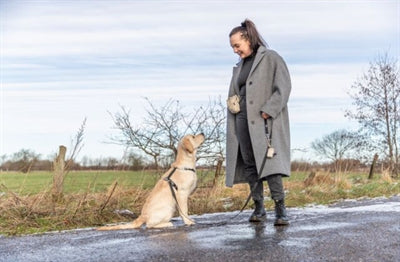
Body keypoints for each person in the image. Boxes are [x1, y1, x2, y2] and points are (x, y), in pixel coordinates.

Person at [225, 19, 291, 226]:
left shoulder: (271, 58)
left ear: (248, 39)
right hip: (242, 120)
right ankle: (259, 208)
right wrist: (233, 103)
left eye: (237, 45)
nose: (235, 50)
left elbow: (284, 88)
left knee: (270, 165)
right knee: (250, 164)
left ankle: (280, 210)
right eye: (232, 47)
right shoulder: (239, 66)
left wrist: (269, 110)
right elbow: (237, 91)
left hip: (264, 120)